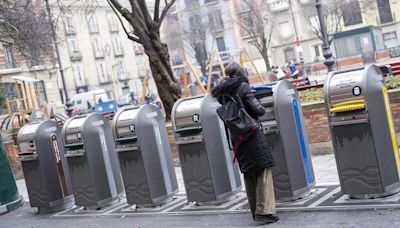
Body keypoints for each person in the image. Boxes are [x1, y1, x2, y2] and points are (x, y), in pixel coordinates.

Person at [211, 62, 278, 225]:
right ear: (241, 72)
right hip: (251, 133)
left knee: (249, 172)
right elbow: (258, 110)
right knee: (263, 169)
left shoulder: (221, 92)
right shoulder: (243, 86)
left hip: (237, 136)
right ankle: (265, 211)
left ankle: (255, 211)